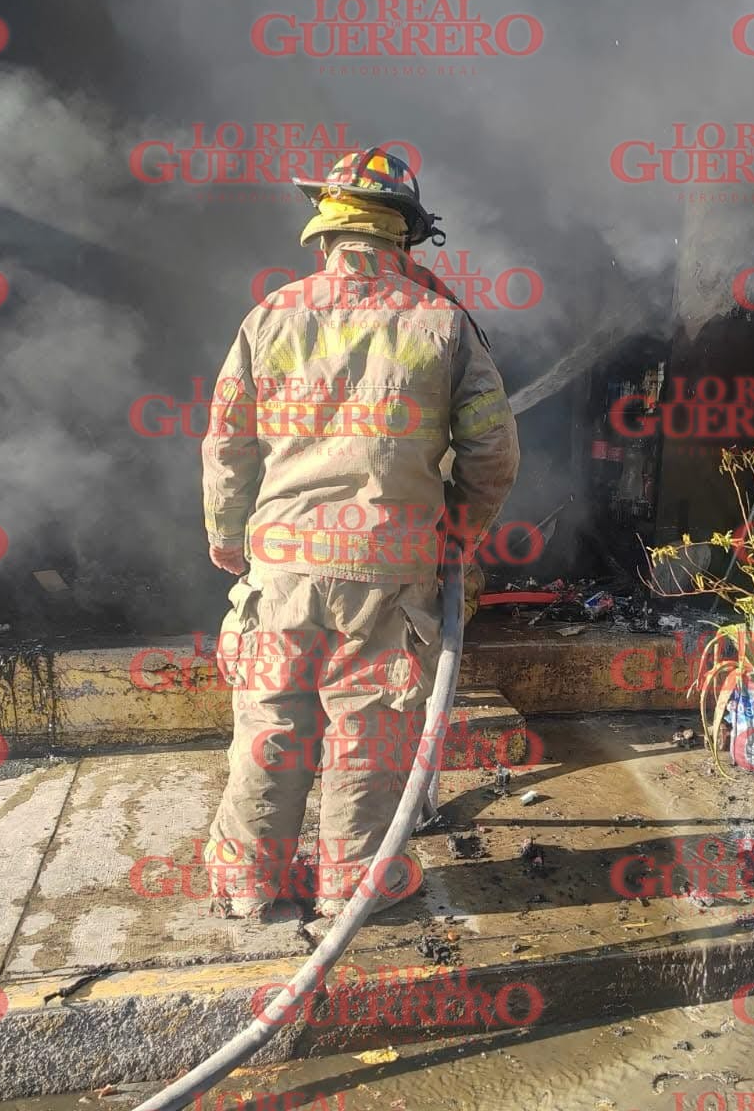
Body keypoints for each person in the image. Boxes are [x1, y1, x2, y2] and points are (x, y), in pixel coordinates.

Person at [200, 148, 520, 928]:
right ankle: (353, 887)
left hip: (281, 564)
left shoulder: (268, 317)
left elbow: (228, 443)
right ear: (404, 236)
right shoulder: (441, 324)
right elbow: (492, 454)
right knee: (369, 734)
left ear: (324, 234)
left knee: (272, 723)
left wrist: (227, 537)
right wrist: (456, 533)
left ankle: (248, 883)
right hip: (387, 568)